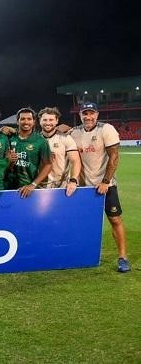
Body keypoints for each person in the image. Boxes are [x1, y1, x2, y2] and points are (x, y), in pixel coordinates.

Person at [69, 102, 130, 272]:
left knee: (115, 220)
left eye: (91, 113)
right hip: (83, 188)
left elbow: (114, 157)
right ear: (80, 115)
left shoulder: (106, 129)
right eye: (84, 113)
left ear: (97, 114)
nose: (88, 117)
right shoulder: (74, 132)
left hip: (105, 185)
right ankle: (83, 254)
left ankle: (123, 257)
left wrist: (105, 181)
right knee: (82, 222)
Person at [5, 107, 52, 198]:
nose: (26, 122)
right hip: (7, 187)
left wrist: (33, 184)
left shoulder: (40, 141)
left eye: (29, 119)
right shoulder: (9, 137)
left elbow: (48, 164)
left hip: (28, 189)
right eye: (22, 119)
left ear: (34, 121)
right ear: (17, 121)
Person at [38, 107, 81, 196]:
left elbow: (75, 161)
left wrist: (73, 180)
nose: (48, 123)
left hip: (61, 186)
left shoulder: (65, 138)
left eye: (51, 120)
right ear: (40, 121)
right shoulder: (35, 139)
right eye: (45, 120)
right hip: (38, 187)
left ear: (57, 121)